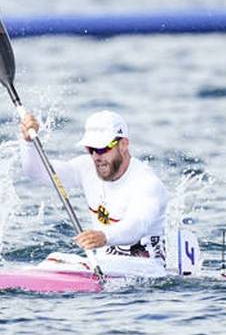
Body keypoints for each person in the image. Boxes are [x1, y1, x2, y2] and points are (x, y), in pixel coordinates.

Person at [18, 109, 168, 263]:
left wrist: (105, 237)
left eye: (102, 149)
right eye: (91, 149)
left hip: (147, 271)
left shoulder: (147, 183)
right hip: (105, 267)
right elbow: (36, 172)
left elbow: (137, 226)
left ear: (123, 144)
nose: (96, 156)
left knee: (55, 260)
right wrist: (28, 143)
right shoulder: (86, 168)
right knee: (54, 260)